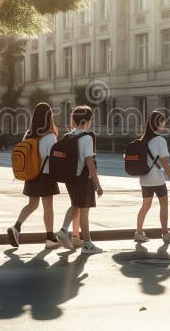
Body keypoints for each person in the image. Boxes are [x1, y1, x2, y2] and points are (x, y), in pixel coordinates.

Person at [7, 102, 61, 249]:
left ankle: (16, 227)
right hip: (46, 175)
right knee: (48, 207)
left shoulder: (28, 134)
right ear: (49, 117)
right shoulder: (50, 137)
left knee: (32, 204)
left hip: (31, 175)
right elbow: (52, 158)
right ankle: (50, 238)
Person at [54, 105, 104, 255]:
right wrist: (97, 184)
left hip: (70, 178)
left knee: (75, 205)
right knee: (84, 212)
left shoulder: (68, 136)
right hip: (83, 179)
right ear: (85, 121)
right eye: (90, 120)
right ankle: (87, 244)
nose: (90, 123)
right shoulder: (87, 137)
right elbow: (89, 162)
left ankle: (63, 230)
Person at [133, 110, 170, 244]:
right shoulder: (160, 140)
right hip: (157, 178)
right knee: (163, 204)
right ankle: (165, 233)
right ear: (158, 123)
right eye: (163, 120)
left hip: (144, 178)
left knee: (145, 206)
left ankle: (139, 232)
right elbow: (164, 161)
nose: (164, 123)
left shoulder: (143, 139)